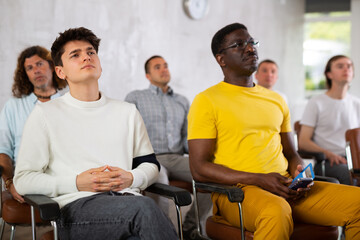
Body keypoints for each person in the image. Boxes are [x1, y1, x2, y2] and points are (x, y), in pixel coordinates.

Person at [187, 23, 360, 239]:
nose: (250, 48)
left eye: (251, 42)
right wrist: (259, 179)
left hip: (286, 188)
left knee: (358, 203)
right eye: (239, 45)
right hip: (238, 193)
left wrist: (299, 173)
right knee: (276, 211)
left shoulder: (276, 100)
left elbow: (291, 153)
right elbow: (199, 168)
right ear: (221, 59)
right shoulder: (206, 100)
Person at [14, 27, 177, 240]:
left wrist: (131, 177)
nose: (86, 57)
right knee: (144, 209)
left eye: (90, 52)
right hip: (76, 209)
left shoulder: (127, 111)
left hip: (127, 202)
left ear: (99, 63)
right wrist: (76, 182)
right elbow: (24, 179)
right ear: (60, 72)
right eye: (75, 54)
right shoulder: (45, 114)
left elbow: (149, 164)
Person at [125, 55, 212, 240]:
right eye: (157, 67)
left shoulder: (182, 100)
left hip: (177, 157)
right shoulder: (136, 97)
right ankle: (165, 234)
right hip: (149, 158)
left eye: (165, 65)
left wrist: (206, 158)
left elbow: (187, 136)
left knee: (212, 176)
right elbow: (127, 132)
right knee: (161, 178)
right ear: (148, 75)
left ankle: (190, 228)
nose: (164, 69)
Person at [0, 46, 67, 203]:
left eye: (39, 64)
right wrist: (10, 183)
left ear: (52, 67)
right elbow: (3, 150)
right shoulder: (13, 106)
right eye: (29, 68)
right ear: (26, 75)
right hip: (27, 180)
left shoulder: (69, 102)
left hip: (64, 178)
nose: (36, 70)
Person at [299, 55, 360, 185]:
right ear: (329, 74)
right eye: (340, 66)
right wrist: (328, 154)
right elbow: (303, 141)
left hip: (354, 160)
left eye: (349, 66)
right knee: (347, 175)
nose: (346, 69)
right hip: (327, 162)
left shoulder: (356, 103)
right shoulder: (316, 102)